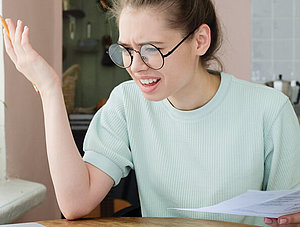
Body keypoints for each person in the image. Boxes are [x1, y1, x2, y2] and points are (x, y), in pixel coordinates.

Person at [2, 0, 300, 226]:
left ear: (200, 41)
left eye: (151, 49)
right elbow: (75, 203)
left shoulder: (270, 110)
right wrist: (50, 89)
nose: (135, 65)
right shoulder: (127, 102)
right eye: (126, 50)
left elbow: (288, 214)